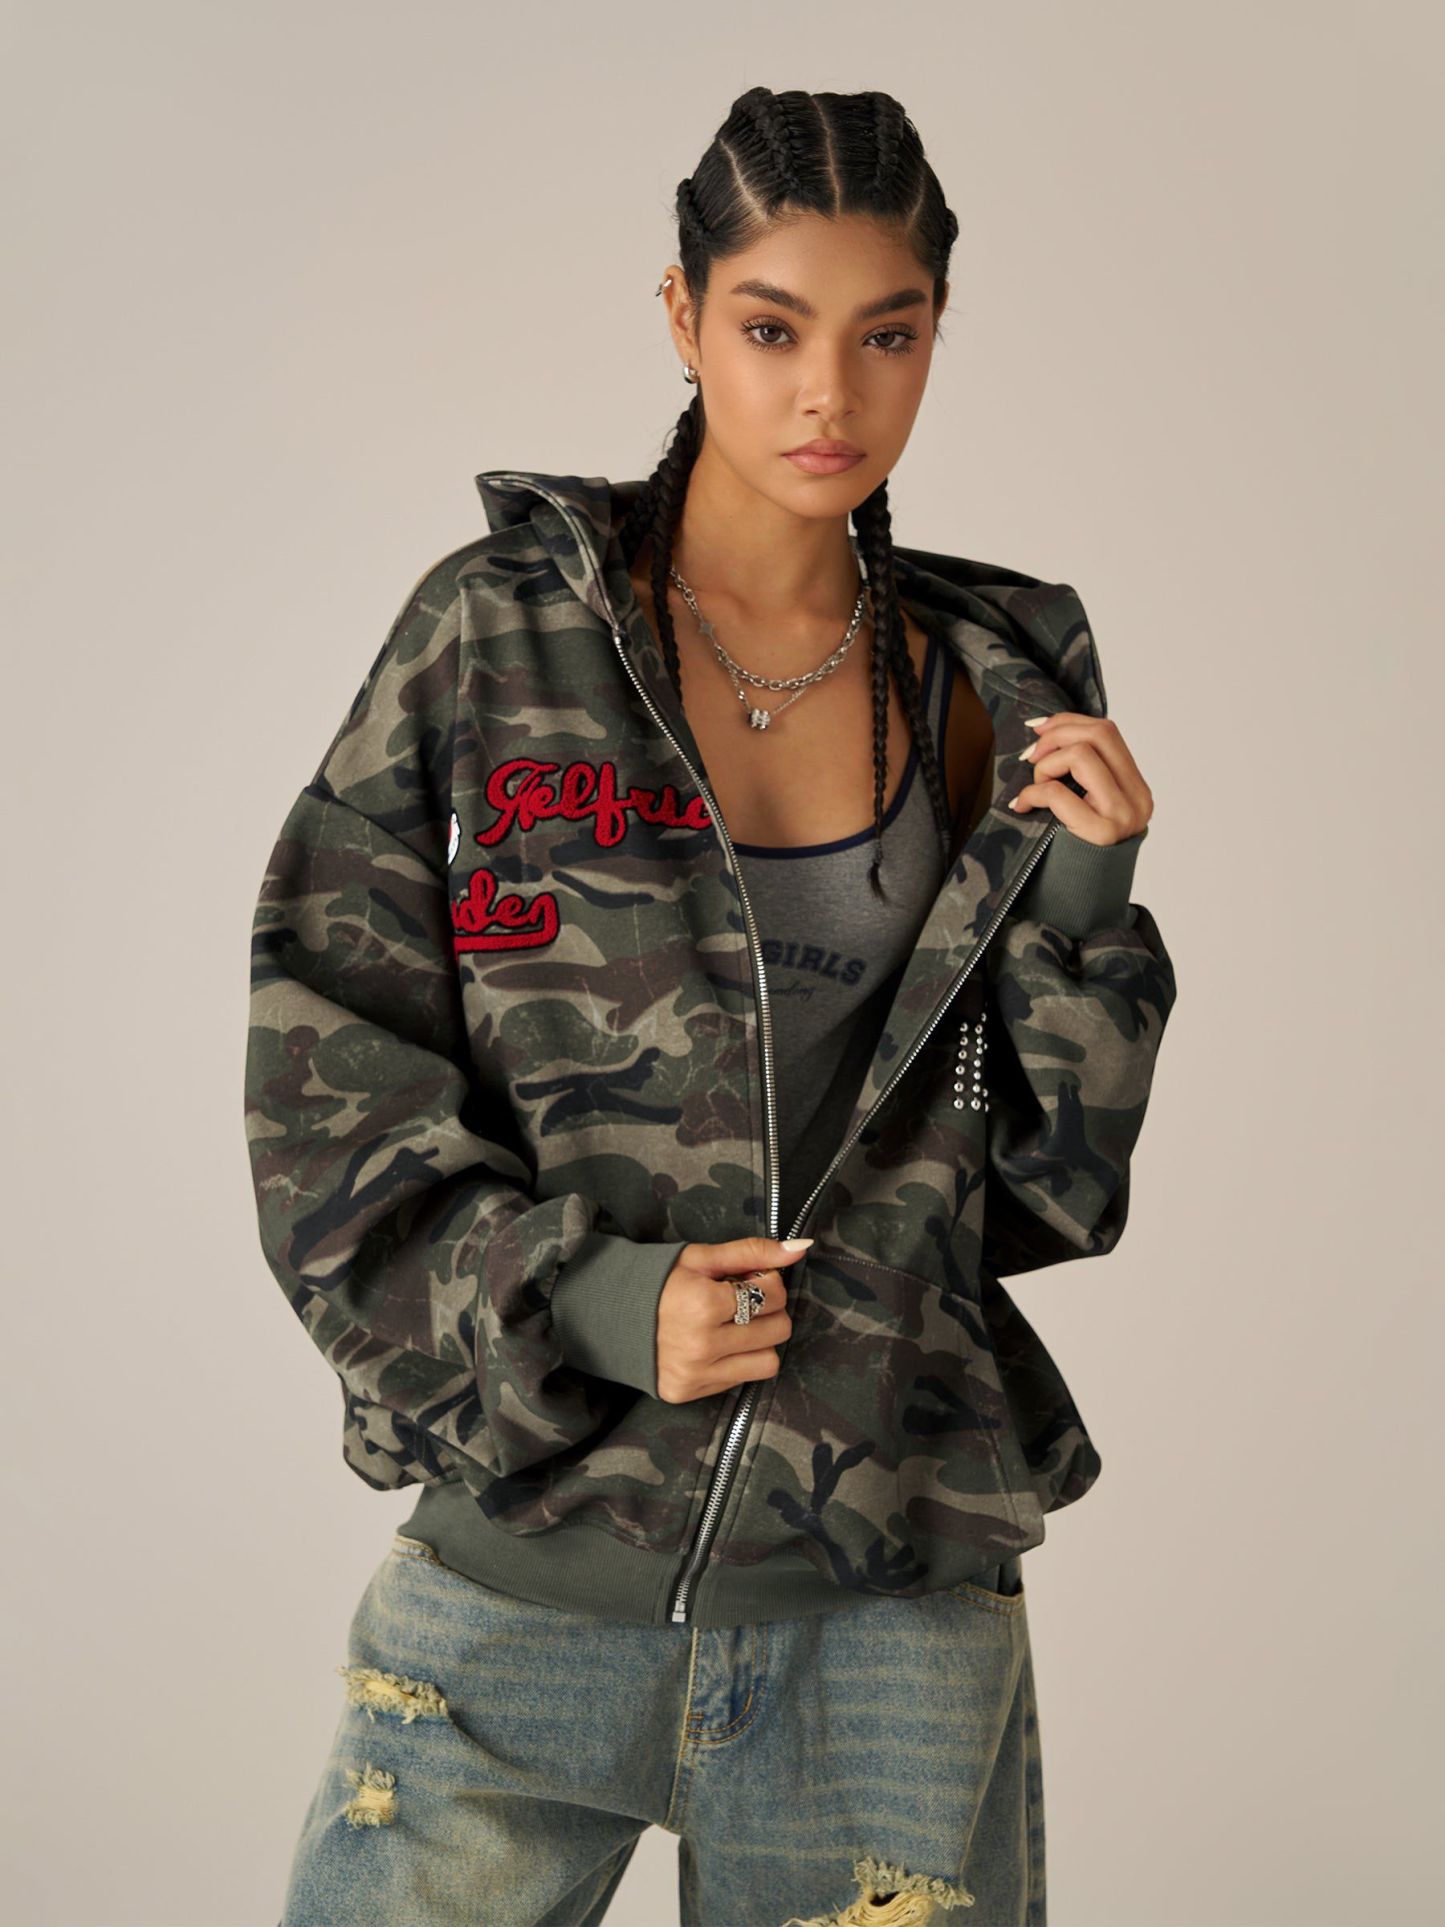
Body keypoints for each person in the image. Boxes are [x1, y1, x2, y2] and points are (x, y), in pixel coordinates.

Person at [244, 83, 1178, 1927]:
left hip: (885, 1617)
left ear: (934, 335)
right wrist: (593, 1301)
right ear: (680, 318)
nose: (828, 393)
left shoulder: (988, 688)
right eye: (770, 328)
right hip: (521, 1586)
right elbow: (324, 1082)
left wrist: (1082, 906)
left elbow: (1038, 1195)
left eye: (885, 335)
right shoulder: (495, 635)